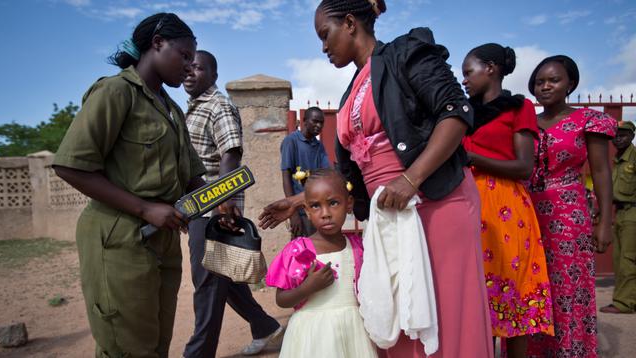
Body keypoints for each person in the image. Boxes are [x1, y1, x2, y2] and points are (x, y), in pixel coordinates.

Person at [259, 1, 494, 357]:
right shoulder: (353, 88)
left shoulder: (405, 53)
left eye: (326, 35)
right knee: (396, 312)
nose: (323, 47)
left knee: (444, 311)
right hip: (389, 216)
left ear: (350, 23)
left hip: (436, 201)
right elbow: (347, 174)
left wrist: (411, 179)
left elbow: (455, 113)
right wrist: (295, 202)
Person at [52, 13, 207, 357]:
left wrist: (217, 206)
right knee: (126, 347)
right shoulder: (116, 92)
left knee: (154, 345)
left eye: (192, 61)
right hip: (120, 241)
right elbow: (70, 166)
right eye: (183, 56)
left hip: (163, 242)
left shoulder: (172, 110)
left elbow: (193, 177)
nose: (189, 67)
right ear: (156, 44)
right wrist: (146, 208)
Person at [182, 50, 282, 358]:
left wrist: (222, 205)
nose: (189, 72)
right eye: (186, 67)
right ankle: (264, 326)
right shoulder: (194, 108)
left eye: (197, 68)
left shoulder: (218, 105)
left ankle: (198, 354)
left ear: (213, 75)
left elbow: (231, 153)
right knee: (221, 276)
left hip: (214, 209)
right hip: (199, 207)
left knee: (208, 285)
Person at [461, 43, 554, 357]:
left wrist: (473, 157)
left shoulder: (519, 108)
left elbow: (524, 166)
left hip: (505, 208)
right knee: (476, 296)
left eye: (468, 72)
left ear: (490, 68)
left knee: (511, 295)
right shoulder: (463, 111)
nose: (464, 80)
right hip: (467, 205)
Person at [526, 55, 617, 357]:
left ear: (571, 84)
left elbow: (601, 171)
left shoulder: (587, 120)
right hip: (530, 215)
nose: (546, 86)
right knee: (535, 286)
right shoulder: (526, 123)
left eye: (554, 80)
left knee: (568, 288)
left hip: (568, 216)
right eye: (540, 82)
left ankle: (570, 350)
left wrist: (604, 222)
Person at [266, 168, 377, 357]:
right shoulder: (298, 250)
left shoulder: (359, 247)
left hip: (354, 333)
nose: (325, 213)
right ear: (307, 212)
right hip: (313, 336)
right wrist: (307, 288)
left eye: (333, 203)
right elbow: (281, 299)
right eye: (316, 206)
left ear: (349, 204)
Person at [600, 120, 636, 314]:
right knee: (619, 258)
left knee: (627, 260)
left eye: (623, 135)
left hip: (633, 213)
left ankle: (623, 303)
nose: (618, 138)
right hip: (620, 212)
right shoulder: (617, 160)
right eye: (616, 135)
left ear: (632, 136)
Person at [281, 106, 330, 237]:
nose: (319, 125)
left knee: (320, 252)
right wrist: (293, 213)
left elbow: (326, 173)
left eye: (321, 122)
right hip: (301, 212)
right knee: (302, 251)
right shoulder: (291, 141)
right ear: (304, 121)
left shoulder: (319, 146)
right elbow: (286, 178)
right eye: (315, 121)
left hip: (317, 210)